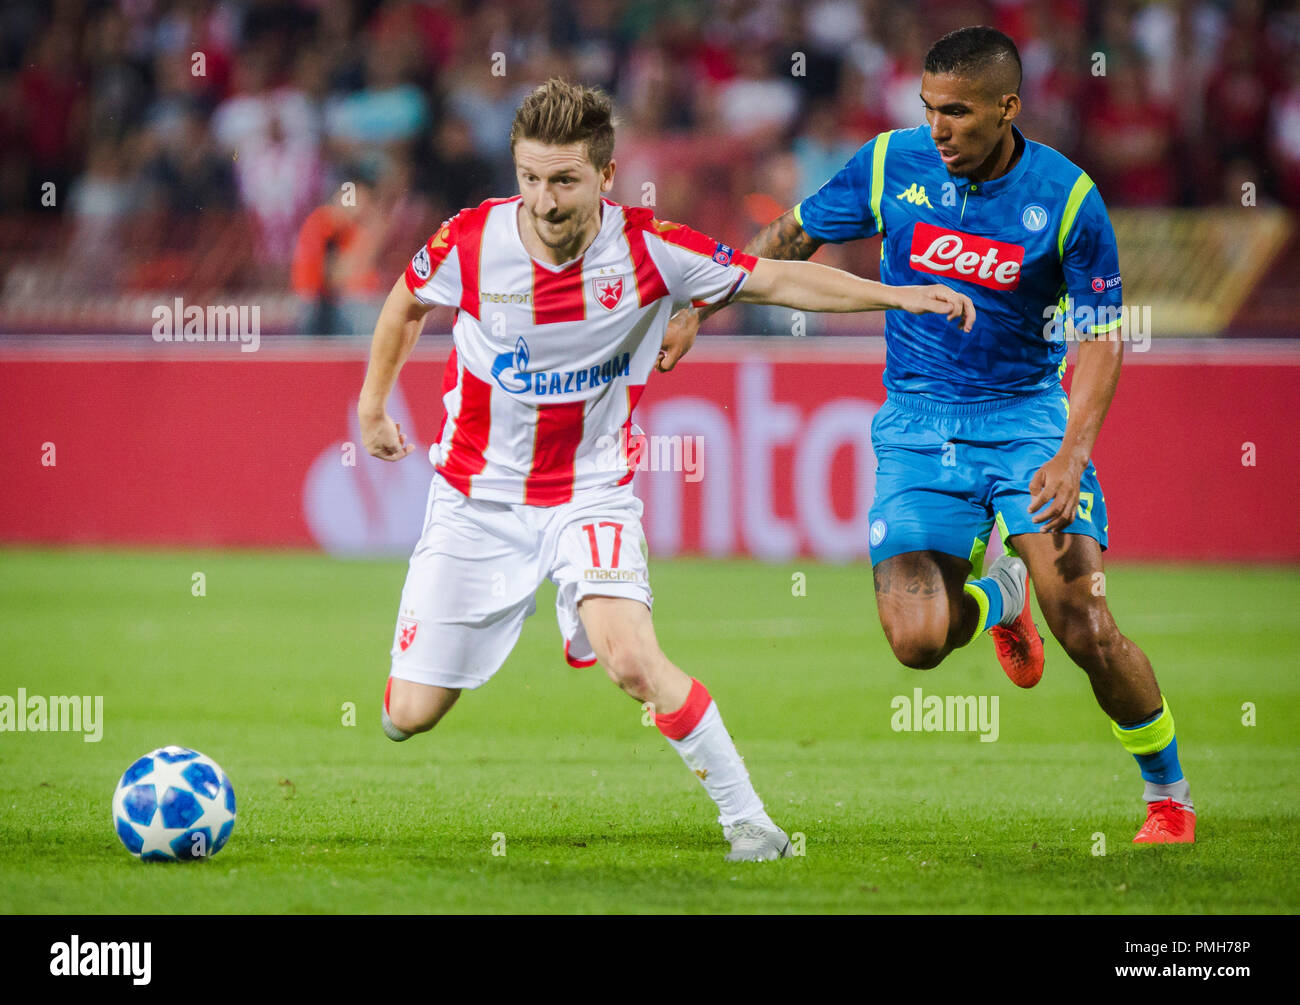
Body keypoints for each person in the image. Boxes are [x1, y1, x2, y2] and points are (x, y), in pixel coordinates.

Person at [358, 78, 974, 861]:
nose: (545, 202)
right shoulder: (472, 240)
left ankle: (751, 822)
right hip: (474, 501)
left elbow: (777, 277)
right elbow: (404, 303)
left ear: (606, 176)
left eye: (565, 181)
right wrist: (374, 406)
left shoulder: (651, 248)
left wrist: (899, 295)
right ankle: (490, 640)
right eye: (531, 178)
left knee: (631, 659)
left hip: (591, 493)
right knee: (410, 713)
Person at [664, 27, 1194, 845]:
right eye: (928, 109)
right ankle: (1000, 597)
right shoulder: (890, 164)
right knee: (917, 643)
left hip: (1025, 425)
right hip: (916, 425)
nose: (938, 128)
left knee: (1085, 621)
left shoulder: (1069, 198)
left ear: (1008, 109)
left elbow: (1101, 334)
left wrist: (1073, 449)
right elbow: (794, 236)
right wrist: (702, 303)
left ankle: (1169, 798)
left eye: (958, 112)